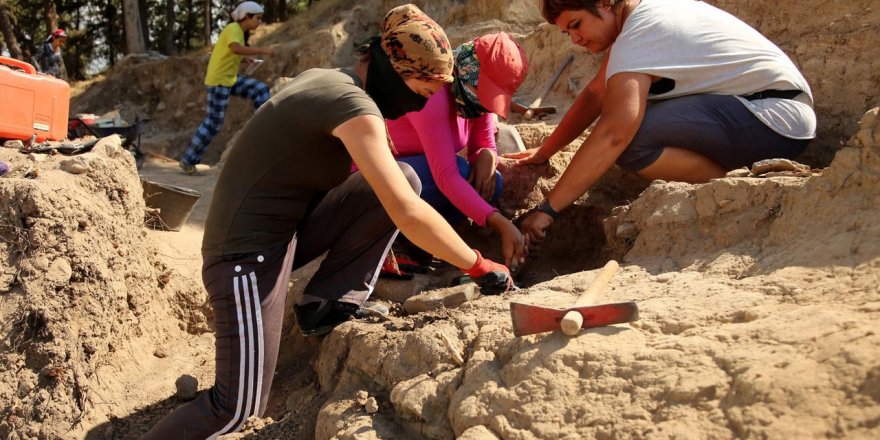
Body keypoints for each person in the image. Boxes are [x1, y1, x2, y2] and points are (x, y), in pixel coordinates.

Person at [142, 5, 512, 439]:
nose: (423, 102)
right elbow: (407, 212)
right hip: (243, 256)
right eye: (421, 89)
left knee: (405, 177)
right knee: (236, 408)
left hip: (285, 234)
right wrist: (478, 264)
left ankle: (326, 304)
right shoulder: (353, 106)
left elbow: (387, 188)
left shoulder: (337, 81)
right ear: (394, 70)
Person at [506, 0, 816, 248]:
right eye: (566, 33)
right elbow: (596, 94)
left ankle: (735, 186)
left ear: (604, 3)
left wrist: (547, 211)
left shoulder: (640, 33)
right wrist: (545, 151)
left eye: (576, 25)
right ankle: (738, 177)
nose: (575, 39)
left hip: (772, 118)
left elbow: (614, 134)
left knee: (632, 136)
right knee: (629, 109)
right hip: (776, 115)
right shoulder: (643, 17)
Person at [384, 32, 528, 270]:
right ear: (467, 68)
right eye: (482, 91)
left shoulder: (473, 101)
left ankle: (419, 241)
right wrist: (502, 224)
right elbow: (445, 176)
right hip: (373, 183)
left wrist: (487, 154)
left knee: (490, 184)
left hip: (419, 179)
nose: (485, 102)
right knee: (460, 172)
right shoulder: (432, 93)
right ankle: (389, 242)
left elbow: (483, 141)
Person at [179, 1, 275, 175]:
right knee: (212, 124)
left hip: (230, 79)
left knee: (260, 90)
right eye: (258, 18)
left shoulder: (239, 32)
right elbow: (235, 48)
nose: (259, 22)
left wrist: (246, 60)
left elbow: (231, 52)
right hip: (219, 81)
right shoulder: (233, 28)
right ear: (247, 16)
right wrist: (262, 50)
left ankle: (261, 127)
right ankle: (188, 161)